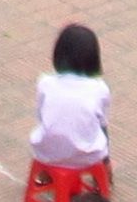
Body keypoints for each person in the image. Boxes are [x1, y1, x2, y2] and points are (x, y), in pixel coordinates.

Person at [33, 21, 113, 186]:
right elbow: (102, 124)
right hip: (88, 156)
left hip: (47, 153)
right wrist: (106, 159)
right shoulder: (100, 88)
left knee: (48, 128)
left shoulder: (45, 83)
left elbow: (41, 116)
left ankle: (46, 172)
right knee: (99, 130)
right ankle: (103, 173)